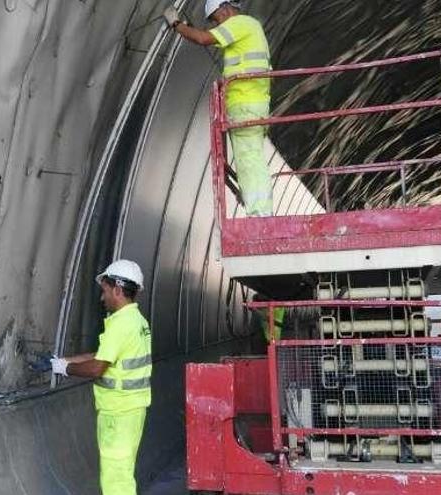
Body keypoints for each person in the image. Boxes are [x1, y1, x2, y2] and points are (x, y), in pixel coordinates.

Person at [50, 260, 152, 495]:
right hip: (132, 410)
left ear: (117, 289)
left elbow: (97, 368)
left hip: (118, 414)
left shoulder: (121, 324)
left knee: (116, 482)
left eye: (104, 291)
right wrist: (64, 362)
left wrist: (66, 370)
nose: (102, 297)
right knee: (122, 475)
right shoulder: (137, 321)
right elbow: (103, 355)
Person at [165, 0, 273, 217]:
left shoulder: (241, 23)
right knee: (249, 158)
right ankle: (259, 209)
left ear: (226, 8)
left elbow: (202, 38)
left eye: (216, 18)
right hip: (253, 103)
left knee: (249, 160)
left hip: (245, 104)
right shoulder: (248, 29)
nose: (216, 24)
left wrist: (176, 23)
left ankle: (260, 215)